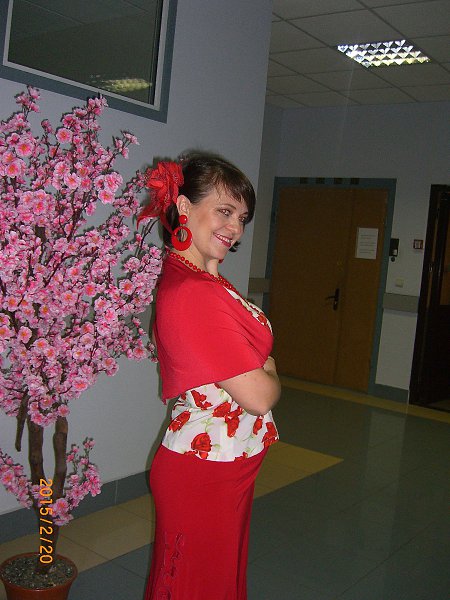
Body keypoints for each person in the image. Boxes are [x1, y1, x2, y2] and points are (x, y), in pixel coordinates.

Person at [140, 154, 280, 600]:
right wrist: (271, 370)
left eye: (242, 218)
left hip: (224, 465)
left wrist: (211, 263)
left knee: (216, 584)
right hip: (205, 473)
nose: (235, 227)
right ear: (183, 206)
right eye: (225, 211)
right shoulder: (193, 291)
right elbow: (259, 396)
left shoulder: (201, 279)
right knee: (197, 587)